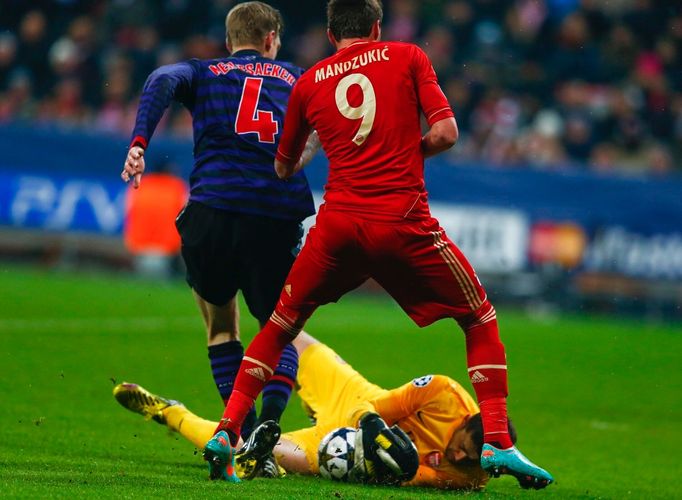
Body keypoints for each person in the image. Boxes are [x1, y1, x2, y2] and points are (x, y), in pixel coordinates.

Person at [208, 0, 553, 489]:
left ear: (330, 34)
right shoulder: (409, 56)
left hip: (340, 226)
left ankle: (227, 432)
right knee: (478, 316)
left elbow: (284, 167)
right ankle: (496, 437)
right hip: (401, 220)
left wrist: (327, 145)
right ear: (376, 26)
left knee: (281, 326)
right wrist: (406, 152)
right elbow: (447, 133)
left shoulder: (309, 83)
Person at [119, 1, 321, 479]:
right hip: (274, 215)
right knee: (278, 330)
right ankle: (266, 431)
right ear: (271, 38)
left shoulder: (203, 71)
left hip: (212, 210)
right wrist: (296, 157)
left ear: (231, 40)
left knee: (220, 329)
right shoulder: (299, 78)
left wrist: (140, 142)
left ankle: (244, 435)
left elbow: (159, 80)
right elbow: (331, 133)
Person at [113, 332, 516, 490]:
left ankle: (169, 412)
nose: (459, 457)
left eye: (468, 459)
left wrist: (374, 457)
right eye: (463, 445)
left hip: (341, 450)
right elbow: (373, 405)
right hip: (354, 400)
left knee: (249, 452)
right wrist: (370, 423)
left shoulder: (473, 474)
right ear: (467, 420)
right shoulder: (444, 393)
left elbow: (407, 477)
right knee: (291, 333)